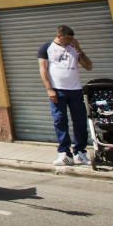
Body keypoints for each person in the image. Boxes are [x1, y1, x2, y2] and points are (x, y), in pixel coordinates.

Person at [38, 25, 93, 166]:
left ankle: (80, 153)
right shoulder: (46, 48)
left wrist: (79, 50)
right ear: (59, 35)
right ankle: (64, 153)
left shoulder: (74, 48)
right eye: (67, 38)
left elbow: (88, 66)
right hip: (58, 90)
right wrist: (49, 89)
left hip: (75, 90)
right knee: (60, 121)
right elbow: (43, 70)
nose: (69, 41)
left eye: (71, 38)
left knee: (80, 121)